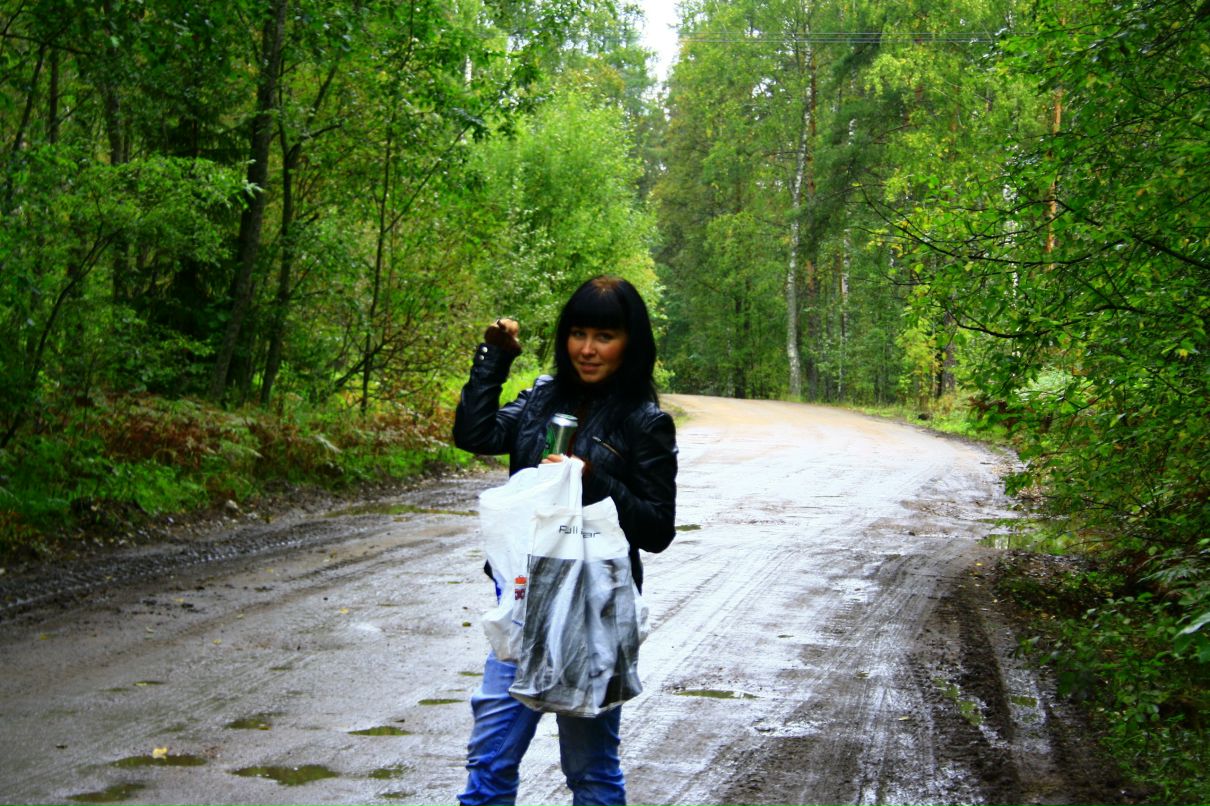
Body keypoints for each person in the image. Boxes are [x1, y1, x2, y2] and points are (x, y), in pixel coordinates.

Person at [452, 275, 678, 806]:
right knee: (489, 762)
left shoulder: (645, 422)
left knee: (591, 771)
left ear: (631, 342)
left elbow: (656, 529)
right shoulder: (541, 397)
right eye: (578, 333)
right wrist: (493, 359)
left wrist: (593, 479)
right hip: (526, 600)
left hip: (595, 606)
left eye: (605, 335)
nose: (587, 349)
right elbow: (475, 434)